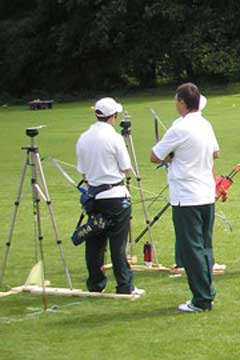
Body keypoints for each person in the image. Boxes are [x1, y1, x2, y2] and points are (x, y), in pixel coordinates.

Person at [151, 83, 219, 312]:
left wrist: (173, 158)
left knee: (191, 249)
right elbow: (215, 152)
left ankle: (201, 299)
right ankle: (206, 293)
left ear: (182, 102)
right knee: (205, 246)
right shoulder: (205, 124)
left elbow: (155, 155)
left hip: (186, 196)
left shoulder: (180, 127)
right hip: (206, 193)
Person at [76, 97, 145, 296]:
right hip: (115, 196)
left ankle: (96, 284)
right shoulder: (114, 138)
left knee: (95, 242)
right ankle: (125, 285)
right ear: (112, 116)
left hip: (94, 196)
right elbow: (126, 168)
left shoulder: (83, 138)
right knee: (118, 244)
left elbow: (83, 173)